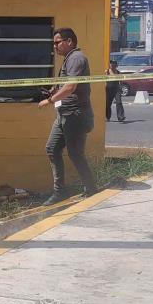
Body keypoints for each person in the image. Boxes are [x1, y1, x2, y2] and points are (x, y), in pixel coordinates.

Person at [38, 27, 98, 204]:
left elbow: (71, 87)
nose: (55, 46)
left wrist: (49, 101)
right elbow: (68, 86)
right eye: (54, 43)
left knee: (75, 154)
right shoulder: (68, 59)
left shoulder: (76, 58)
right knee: (52, 148)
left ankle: (91, 189)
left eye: (57, 43)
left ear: (69, 41)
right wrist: (55, 91)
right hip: (64, 114)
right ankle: (60, 192)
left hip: (76, 115)